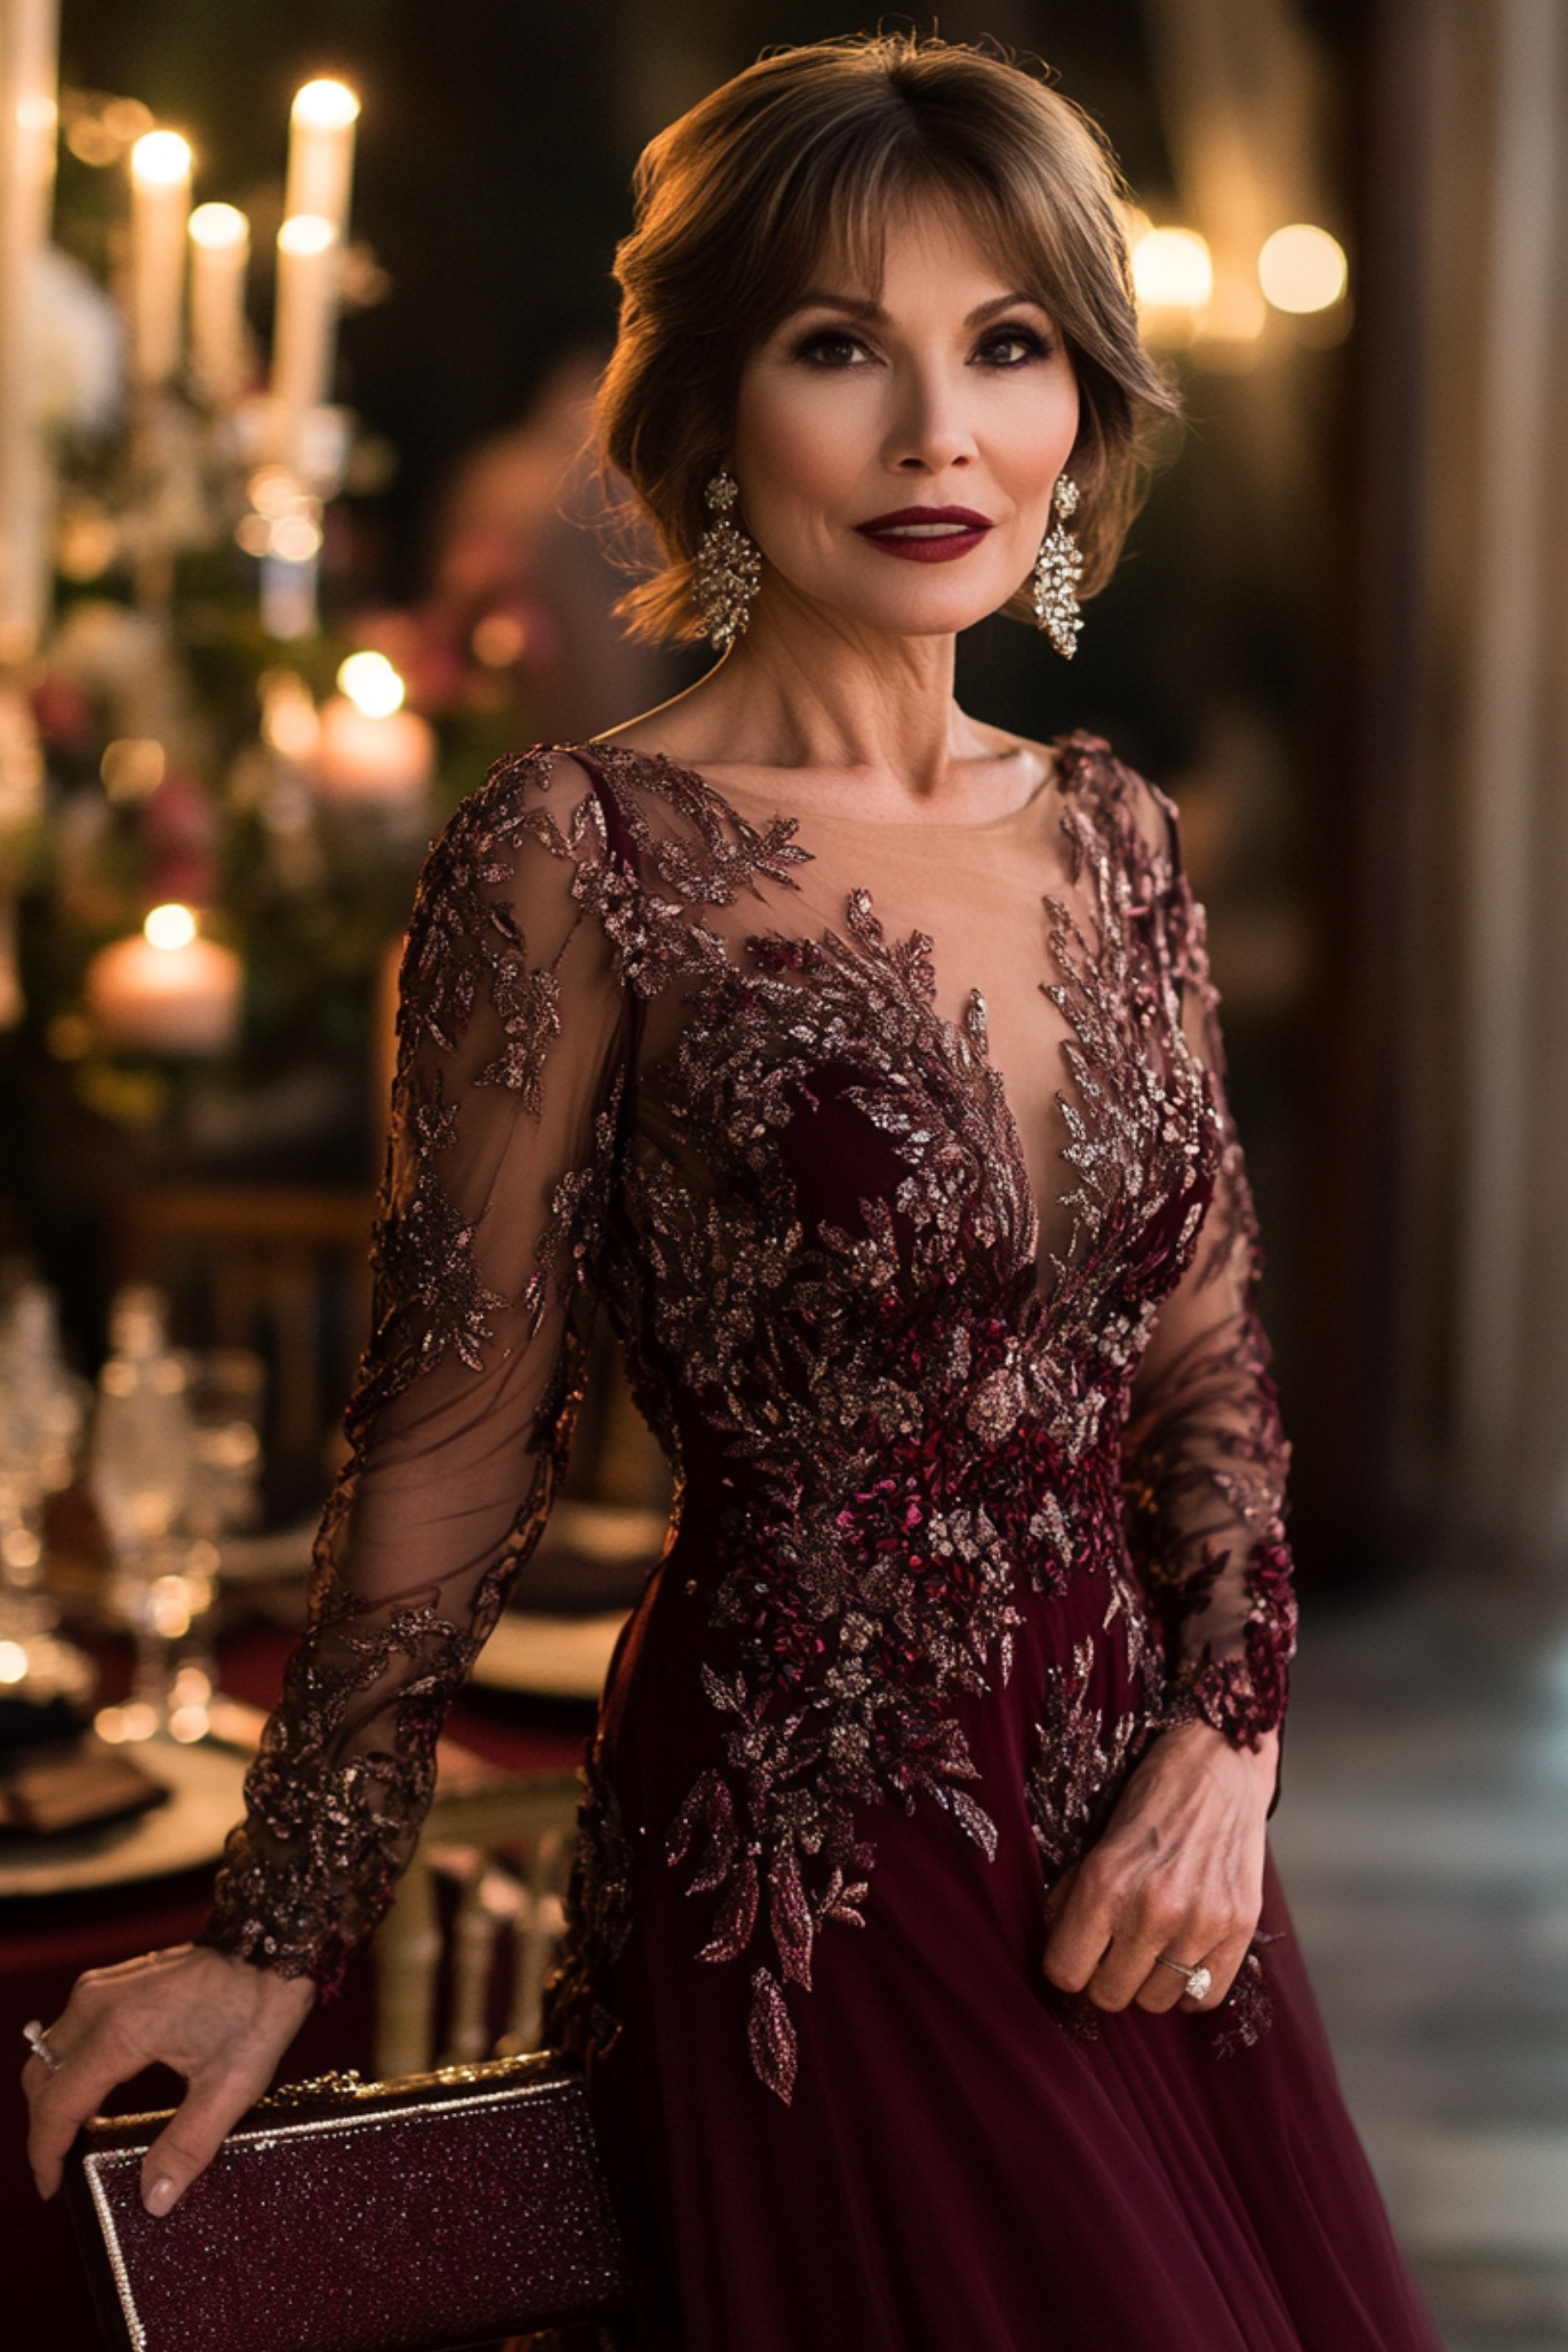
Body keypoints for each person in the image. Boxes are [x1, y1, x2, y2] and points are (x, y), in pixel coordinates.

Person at [26, 36, 1439, 2351]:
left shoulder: (1113, 834)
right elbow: (452, 1436)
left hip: (1150, 1858)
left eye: (1003, 346)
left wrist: (1228, 1732)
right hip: (817, 1854)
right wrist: (272, 1924)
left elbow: (1203, 1362)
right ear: (699, 410)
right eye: (833, 349)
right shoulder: (572, 856)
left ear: (1081, 404)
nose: (934, 437)